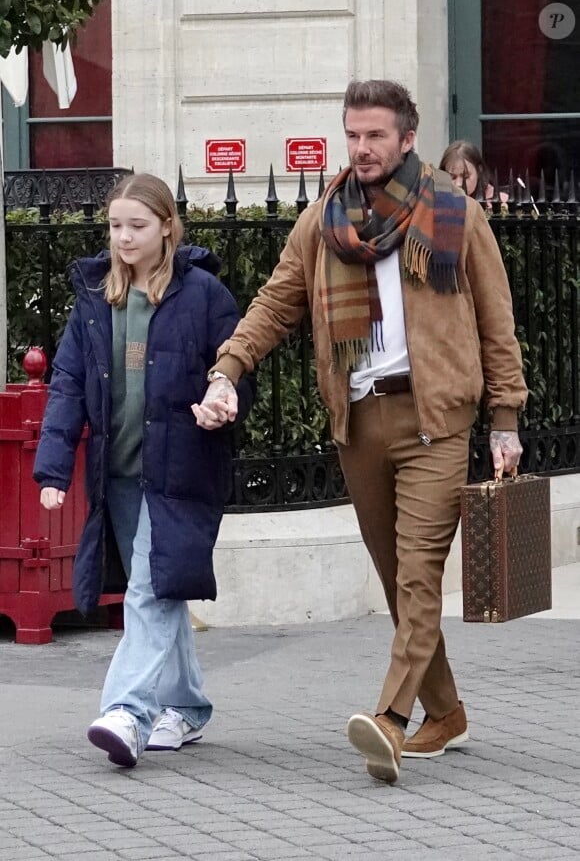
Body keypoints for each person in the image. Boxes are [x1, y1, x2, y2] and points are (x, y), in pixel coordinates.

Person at [193, 80, 527, 784]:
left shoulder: (455, 214)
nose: (362, 147)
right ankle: (447, 712)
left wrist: (505, 417)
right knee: (398, 583)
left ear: (407, 139)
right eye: (353, 134)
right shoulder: (325, 219)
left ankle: (391, 722)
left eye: (375, 135)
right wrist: (227, 369)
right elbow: (275, 303)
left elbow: (498, 323)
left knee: (418, 575)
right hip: (359, 420)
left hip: (436, 418)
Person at [33, 173, 255, 768]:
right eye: (115, 226)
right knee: (161, 591)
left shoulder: (204, 294)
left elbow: (237, 368)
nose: (123, 238)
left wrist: (225, 397)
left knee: (148, 589)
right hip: (120, 474)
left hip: (181, 471)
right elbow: (68, 384)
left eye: (137, 226)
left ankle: (127, 712)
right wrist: (53, 469)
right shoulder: (93, 298)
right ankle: (186, 708)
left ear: (166, 228)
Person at [439, 139, 508, 209]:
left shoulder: (501, 203)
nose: (458, 184)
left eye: (466, 177)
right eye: (452, 177)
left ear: (479, 171)